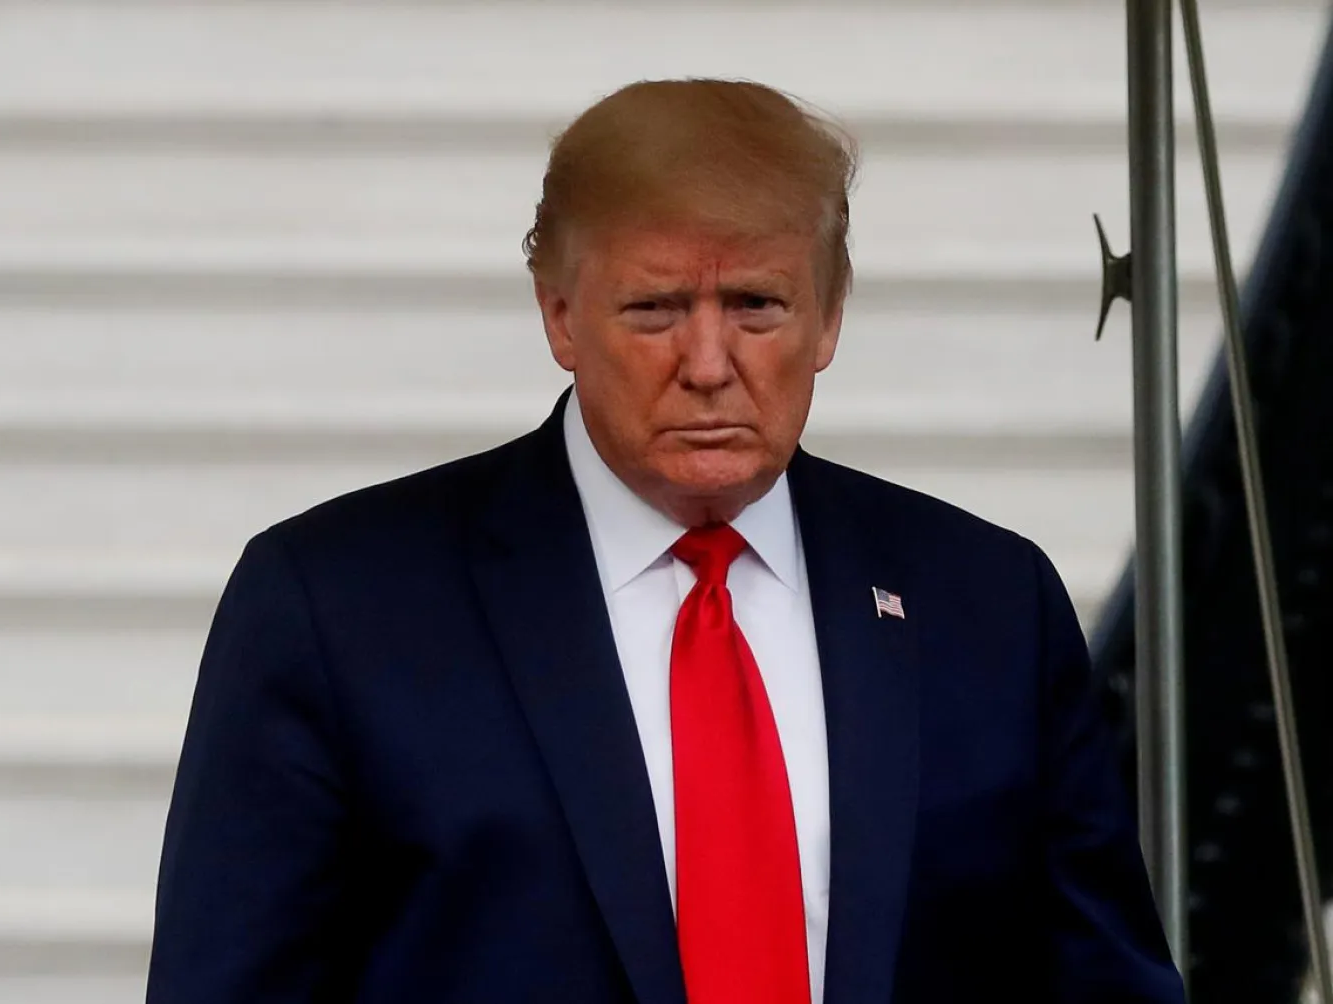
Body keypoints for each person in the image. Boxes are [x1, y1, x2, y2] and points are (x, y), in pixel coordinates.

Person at [145, 78, 1185, 1004]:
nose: (707, 361)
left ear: (828, 318)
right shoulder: (337, 606)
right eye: (654, 308)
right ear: (559, 316)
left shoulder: (987, 601)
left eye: (755, 305)